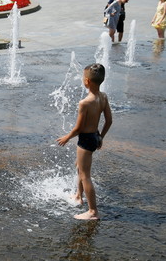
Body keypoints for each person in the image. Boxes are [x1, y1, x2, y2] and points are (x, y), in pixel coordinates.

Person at [56, 64, 113, 221]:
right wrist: (101, 136)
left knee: (85, 175)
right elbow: (109, 120)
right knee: (79, 166)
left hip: (86, 139)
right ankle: (78, 195)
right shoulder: (103, 97)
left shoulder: (85, 103)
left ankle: (92, 211)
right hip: (94, 137)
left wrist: (67, 137)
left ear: (87, 81)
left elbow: (78, 128)